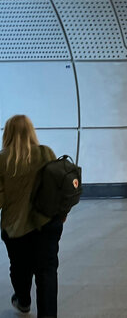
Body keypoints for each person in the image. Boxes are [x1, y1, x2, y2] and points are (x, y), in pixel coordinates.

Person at [0, 115, 63, 316]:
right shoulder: (46, 153)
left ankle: (23, 300)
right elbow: (59, 186)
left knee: (19, 268)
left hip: (15, 227)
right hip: (47, 223)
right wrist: (61, 214)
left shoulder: (2, 159)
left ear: (7, 133)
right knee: (47, 272)